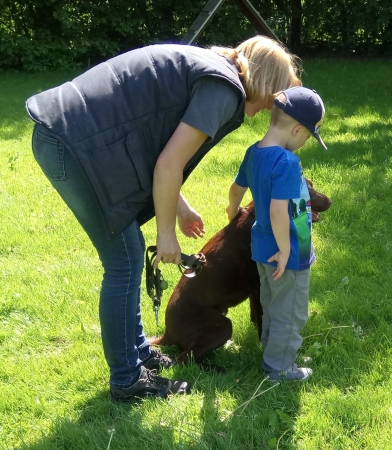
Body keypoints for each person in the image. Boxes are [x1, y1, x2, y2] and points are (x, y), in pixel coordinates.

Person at [25, 36, 301, 402]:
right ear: (267, 82)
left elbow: (157, 142)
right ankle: (127, 380)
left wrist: (180, 207)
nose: (271, 108)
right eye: (276, 96)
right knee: (123, 261)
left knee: (126, 252)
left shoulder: (212, 73)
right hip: (72, 140)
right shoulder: (224, 89)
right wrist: (166, 232)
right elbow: (168, 162)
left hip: (66, 133)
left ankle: (139, 353)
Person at [226, 86, 327, 382]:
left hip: (262, 247)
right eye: (308, 137)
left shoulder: (254, 153)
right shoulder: (286, 162)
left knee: (272, 305)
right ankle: (280, 368)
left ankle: (277, 352)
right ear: (297, 129)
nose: (305, 143)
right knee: (291, 311)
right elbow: (277, 211)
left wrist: (233, 213)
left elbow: (235, 191)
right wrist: (285, 250)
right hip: (287, 253)